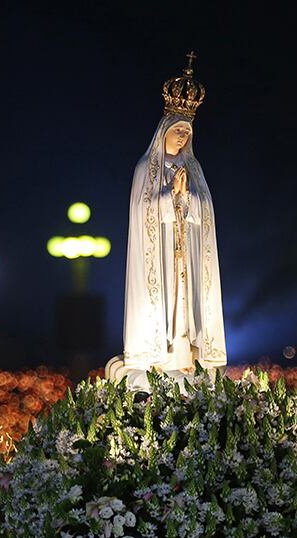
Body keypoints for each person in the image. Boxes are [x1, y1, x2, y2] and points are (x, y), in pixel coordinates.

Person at [114, 53, 227, 388]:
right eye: (177, 130)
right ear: (164, 131)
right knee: (164, 304)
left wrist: (187, 196)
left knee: (185, 309)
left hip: (185, 258)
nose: (182, 137)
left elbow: (204, 210)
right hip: (160, 254)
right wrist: (169, 197)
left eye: (186, 132)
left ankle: (187, 356)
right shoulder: (145, 168)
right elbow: (142, 212)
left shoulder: (194, 169)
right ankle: (157, 357)